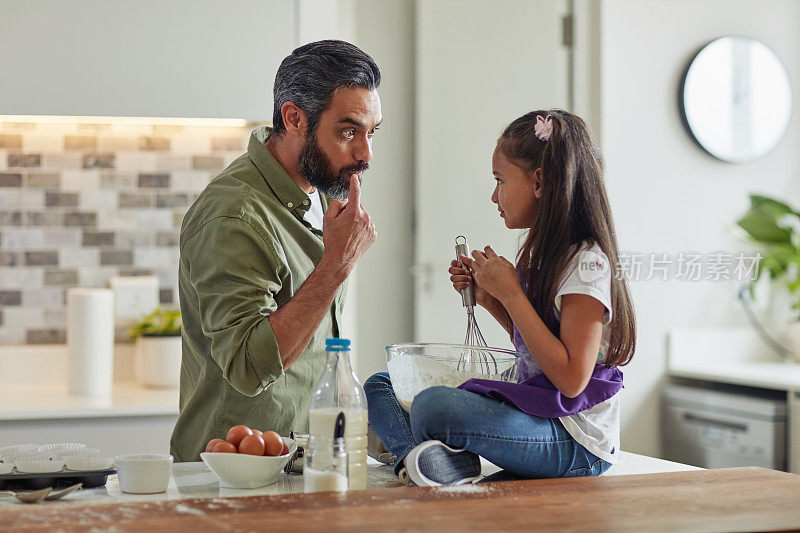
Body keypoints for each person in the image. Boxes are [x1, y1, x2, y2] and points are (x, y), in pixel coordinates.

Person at [365, 110, 637, 486]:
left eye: (499, 180)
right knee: (380, 384)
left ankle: (426, 457)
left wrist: (510, 293)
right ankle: (424, 462)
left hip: (573, 440)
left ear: (539, 181)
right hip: (540, 418)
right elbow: (538, 354)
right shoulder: (545, 255)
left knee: (433, 405)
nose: (494, 195)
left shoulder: (587, 264)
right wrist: (491, 299)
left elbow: (571, 379)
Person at [171, 40, 382, 462]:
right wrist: (336, 266)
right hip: (231, 474)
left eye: (371, 132)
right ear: (293, 118)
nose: (365, 154)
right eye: (348, 131)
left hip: (303, 462)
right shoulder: (233, 216)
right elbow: (249, 367)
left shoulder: (320, 191)